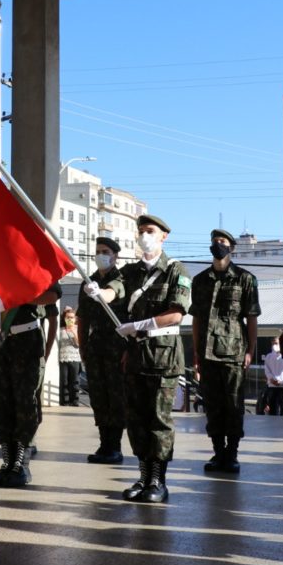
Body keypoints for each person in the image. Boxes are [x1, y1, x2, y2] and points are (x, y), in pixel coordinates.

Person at [114, 215, 191, 503]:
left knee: (158, 420)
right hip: (135, 355)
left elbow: (176, 314)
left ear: (163, 237)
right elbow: (116, 290)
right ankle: (144, 476)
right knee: (136, 419)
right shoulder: (131, 271)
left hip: (163, 357)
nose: (144, 235)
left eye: (150, 231)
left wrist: (139, 326)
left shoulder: (175, 270)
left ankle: (159, 481)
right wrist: (100, 293)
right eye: (141, 231)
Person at [190, 228, 261, 475]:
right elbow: (197, 319)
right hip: (207, 354)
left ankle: (232, 453)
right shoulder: (199, 280)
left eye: (222, 241)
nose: (218, 245)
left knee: (233, 404)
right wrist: (196, 353)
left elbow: (251, 318)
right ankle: (218, 451)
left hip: (234, 352)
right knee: (212, 405)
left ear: (232, 247)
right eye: (214, 242)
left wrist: (251, 350)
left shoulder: (245, 279)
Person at [0, 283, 61, 487]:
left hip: (25, 342)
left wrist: (17, 294)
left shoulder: (31, 263)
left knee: (24, 403)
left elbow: (53, 295)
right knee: (0, 404)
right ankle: (8, 462)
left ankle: (20, 464)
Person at [78, 236, 127, 464]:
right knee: (98, 396)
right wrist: (83, 348)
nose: (101, 255)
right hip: (96, 346)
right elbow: (83, 320)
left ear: (115, 256)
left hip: (117, 346)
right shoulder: (88, 282)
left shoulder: (122, 279)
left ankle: (114, 446)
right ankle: (103, 444)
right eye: (98, 250)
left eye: (105, 251)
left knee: (115, 397)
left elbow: (114, 296)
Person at [57, 307, 82, 406]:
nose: (69, 319)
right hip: (63, 358)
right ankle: (65, 401)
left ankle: (75, 401)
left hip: (75, 359)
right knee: (64, 381)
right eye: (67, 317)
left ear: (75, 319)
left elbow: (79, 344)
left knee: (74, 380)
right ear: (64, 318)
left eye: (71, 317)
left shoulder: (78, 329)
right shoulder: (60, 330)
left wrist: (73, 332)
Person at [262, 338, 283, 416]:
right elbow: (267, 370)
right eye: (274, 343)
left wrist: (282, 381)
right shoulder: (268, 356)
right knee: (273, 410)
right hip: (272, 386)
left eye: (277, 343)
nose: (275, 345)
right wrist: (271, 379)